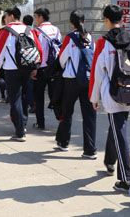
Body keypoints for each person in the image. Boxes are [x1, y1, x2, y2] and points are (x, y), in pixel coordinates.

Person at [90, 4, 130, 191]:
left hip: (112, 94)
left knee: (120, 132)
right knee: (118, 126)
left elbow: (97, 72)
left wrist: (94, 97)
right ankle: (109, 160)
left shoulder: (103, 42)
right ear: (122, 19)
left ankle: (126, 179)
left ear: (106, 20)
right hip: (129, 91)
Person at [0, 7, 43, 141]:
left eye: (6, 15)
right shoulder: (29, 30)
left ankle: (20, 131)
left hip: (11, 69)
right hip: (27, 67)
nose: (5, 18)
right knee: (24, 97)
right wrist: (35, 67)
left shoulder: (6, 31)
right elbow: (38, 49)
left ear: (12, 16)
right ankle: (23, 123)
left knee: (15, 98)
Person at [54, 10, 96, 158]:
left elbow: (62, 59)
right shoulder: (91, 38)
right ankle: (90, 151)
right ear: (83, 21)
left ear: (71, 22)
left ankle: (64, 142)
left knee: (67, 111)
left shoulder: (70, 38)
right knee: (89, 115)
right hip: (89, 79)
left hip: (72, 80)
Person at [32, 7, 62, 130]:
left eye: (36, 17)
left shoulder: (37, 31)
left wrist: (34, 68)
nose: (35, 19)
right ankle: (61, 118)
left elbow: (35, 51)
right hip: (54, 68)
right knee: (54, 95)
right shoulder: (56, 30)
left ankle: (41, 123)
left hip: (40, 68)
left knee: (38, 97)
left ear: (40, 17)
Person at [22, 14, 36, 113]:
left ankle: (31, 104)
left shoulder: (25, 31)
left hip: (27, 60)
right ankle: (32, 103)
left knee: (28, 86)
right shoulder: (34, 31)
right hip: (36, 60)